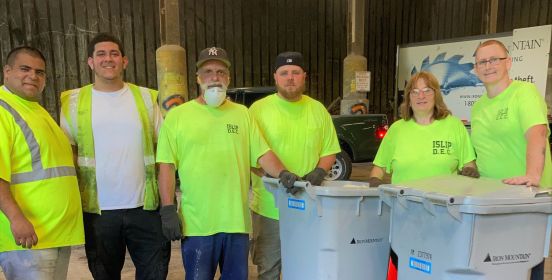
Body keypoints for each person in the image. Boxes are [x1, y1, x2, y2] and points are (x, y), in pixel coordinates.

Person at [156, 46, 297, 280]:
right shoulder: (177, 117)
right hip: (198, 224)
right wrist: (168, 208)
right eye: (208, 71)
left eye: (221, 72)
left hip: (236, 223)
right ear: (198, 78)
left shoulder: (242, 114)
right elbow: (166, 166)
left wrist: (283, 173)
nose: (214, 77)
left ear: (228, 78)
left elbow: (262, 154)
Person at [59, 33, 169, 280]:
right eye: (101, 54)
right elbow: (69, 153)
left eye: (114, 53)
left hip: (146, 208)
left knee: (155, 273)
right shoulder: (74, 102)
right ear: (90, 62)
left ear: (125, 61)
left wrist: (168, 202)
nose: (108, 59)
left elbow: (163, 152)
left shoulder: (145, 97)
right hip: (99, 212)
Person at [248, 51, 341, 280]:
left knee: (306, 266)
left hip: (309, 206)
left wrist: (320, 171)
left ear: (304, 76)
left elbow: (329, 150)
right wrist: (278, 178)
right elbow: (251, 158)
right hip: (271, 208)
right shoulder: (257, 111)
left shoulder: (318, 110)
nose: (290, 77)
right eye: (284, 73)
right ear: (275, 77)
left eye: (295, 72)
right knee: (268, 268)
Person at [0, 46, 84, 279]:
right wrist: (16, 219)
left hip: (55, 232)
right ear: (7, 71)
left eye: (39, 72)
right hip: (27, 237)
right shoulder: (3, 110)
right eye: (24, 69)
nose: (33, 76)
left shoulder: (37, 110)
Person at [471, 39, 552, 280]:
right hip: (492, 199)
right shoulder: (478, 107)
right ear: (475, 69)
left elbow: (537, 134)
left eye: (494, 59)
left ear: (509, 62)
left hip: (525, 197)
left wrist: (532, 176)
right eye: (481, 62)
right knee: (495, 263)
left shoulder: (523, 93)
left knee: (526, 262)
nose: (488, 66)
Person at [369, 71, 478, 186]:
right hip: (403, 202)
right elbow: (379, 168)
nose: (421, 96)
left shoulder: (455, 126)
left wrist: (470, 172)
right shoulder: (396, 129)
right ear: (409, 99)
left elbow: (469, 164)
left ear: (436, 96)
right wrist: (375, 181)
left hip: (442, 202)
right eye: (415, 92)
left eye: (427, 91)